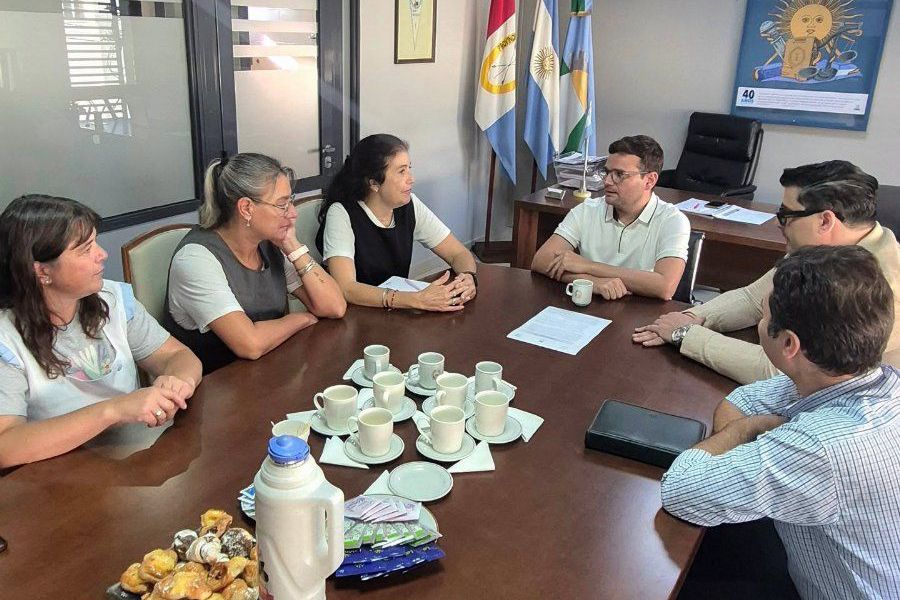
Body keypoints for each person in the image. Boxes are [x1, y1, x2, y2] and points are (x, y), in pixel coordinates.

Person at [661, 245, 900, 600]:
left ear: (789, 344)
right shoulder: (870, 379)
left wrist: (745, 429)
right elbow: (742, 399)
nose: (759, 322)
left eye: (763, 316)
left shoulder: (822, 448)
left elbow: (680, 488)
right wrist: (752, 424)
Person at [634, 160, 900, 384]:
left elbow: (787, 371)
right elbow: (754, 298)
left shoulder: (875, 284)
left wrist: (686, 335)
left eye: (786, 215)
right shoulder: (822, 249)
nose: (778, 224)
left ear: (825, 220)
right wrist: (692, 316)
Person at [0, 195, 202, 468]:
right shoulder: (6, 338)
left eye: (95, 241)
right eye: (85, 249)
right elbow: (6, 447)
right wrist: (113, 411)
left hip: (127, 457)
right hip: (55, 479)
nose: (102, 254)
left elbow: (177, 355)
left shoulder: (112, 298)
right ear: (41, 272)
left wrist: (178, 381)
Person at [164, 153, 346, 373]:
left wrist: (292, 245)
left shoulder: (268, 243)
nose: (293, 213)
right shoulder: (195, 259)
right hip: (215, 388)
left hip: (269, 372)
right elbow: (249, 344)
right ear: (246, 208)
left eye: (290, 201)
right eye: (282, 204)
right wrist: (300, 319)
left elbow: (334, 307)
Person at [316, 134, 477, 311]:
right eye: (402, 171)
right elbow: (347, 288)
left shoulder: (409, 205)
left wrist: (468, 277)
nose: (411, 178)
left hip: (395, 314)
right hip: (354, 316)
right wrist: (415, 300)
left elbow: (458, 253)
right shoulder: (341, 213)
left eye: (409, 168)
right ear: (374, 183)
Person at [530, 135, 690, 300]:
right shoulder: (588, 209)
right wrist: (591, 282)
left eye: (619, 174)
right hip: (590, 309)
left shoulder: (673, 220)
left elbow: (665, 287)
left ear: (649, 180)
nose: (607, 181)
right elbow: (541, 260)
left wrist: (588, 266)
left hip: (642, 315)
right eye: (606, 172)